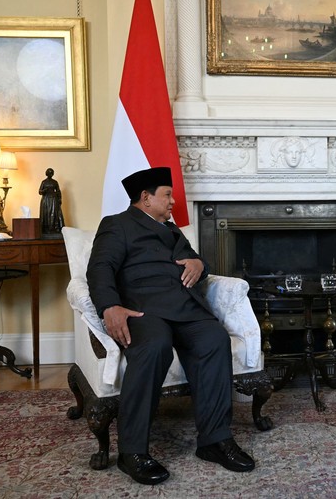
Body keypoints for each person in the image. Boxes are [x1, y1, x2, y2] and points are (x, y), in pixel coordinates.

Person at [86, 167, 255, 485]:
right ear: (145, 198)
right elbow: (100, 268)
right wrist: (110, 306)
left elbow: (197, 263)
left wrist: (199, 264)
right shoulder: (116, 225)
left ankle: (214, 441)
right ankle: (132, 452)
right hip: (143, 310)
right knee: (154, 347)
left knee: (215, 340)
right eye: (167, 194)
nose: (174, 201)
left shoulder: (173, 231)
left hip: (185, 308)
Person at [39, 168, 65, 236]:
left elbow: (58, 191)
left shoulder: (55, 182)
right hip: (46, 200)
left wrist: (59, 199)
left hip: (53, 200)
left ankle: (55, 229)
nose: (50, 174)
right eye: (49, 172)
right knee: (46, 214)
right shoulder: (44, 182)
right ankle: (46, 229)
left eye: (51, 173)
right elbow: (40, 191)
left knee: (54, 214)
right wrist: (44, 190)